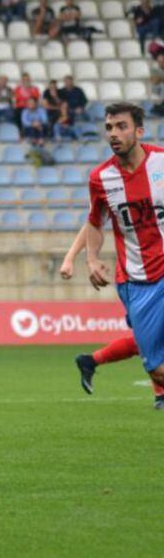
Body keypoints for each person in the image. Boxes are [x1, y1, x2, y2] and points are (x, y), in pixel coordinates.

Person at [83, 102, 164, 408]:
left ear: (139, 131)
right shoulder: (100, 178)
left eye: (121, 126)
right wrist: (91, 259)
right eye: (109, 128)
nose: (113, 134)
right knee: (155, 367)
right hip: (137, 281)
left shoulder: (161, 162)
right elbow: (94, 221)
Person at [60, 223, 164, 408]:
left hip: (155, 277)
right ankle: (160, 394)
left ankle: (91, 361)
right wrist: (71, 257)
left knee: (148, 339)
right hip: (135, 282)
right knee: (148, 339)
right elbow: (94, 221)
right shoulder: (119, 195)